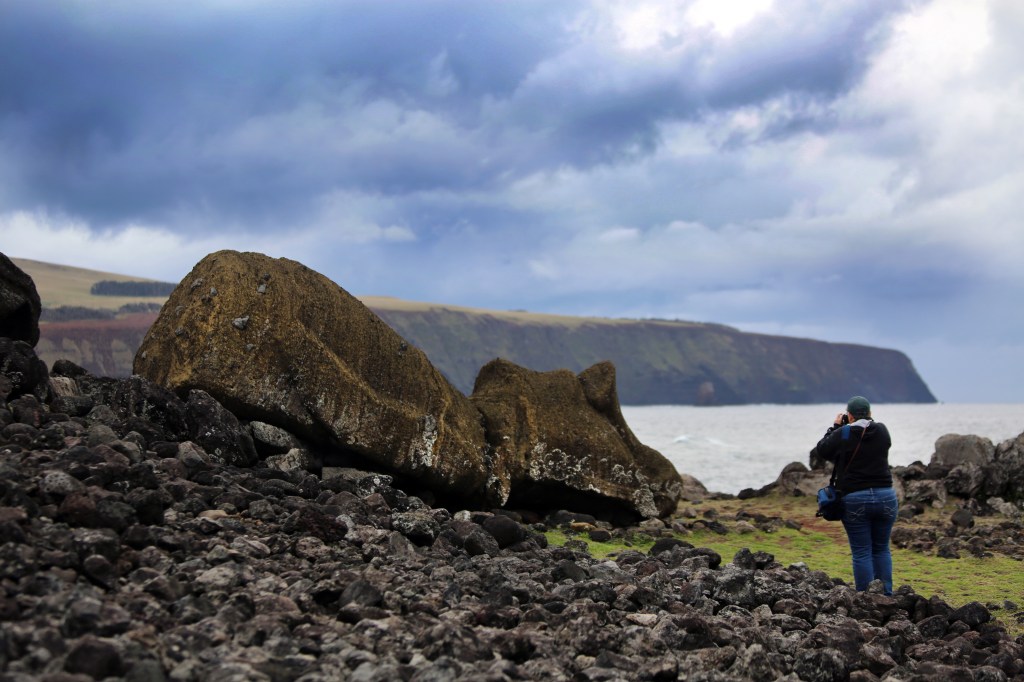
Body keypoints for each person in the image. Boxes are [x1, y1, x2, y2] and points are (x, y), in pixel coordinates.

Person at [815, 395, 897, 595]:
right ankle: (886, 595)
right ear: (870, 413)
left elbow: (822, 450)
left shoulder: (843, 433)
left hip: (855, 498)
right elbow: (881, 443)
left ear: (849, 416)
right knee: (881, 549)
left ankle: (865, 598)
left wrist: (835, 427)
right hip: (886, 496)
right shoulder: (882, 430)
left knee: (862, 552)